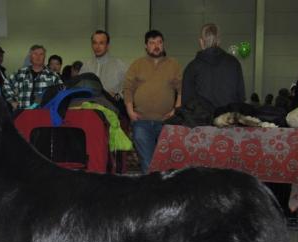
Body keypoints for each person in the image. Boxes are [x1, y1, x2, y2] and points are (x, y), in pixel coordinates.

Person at [123, 29, 181, 173]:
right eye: (152, 43)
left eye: (159, 42)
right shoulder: (137, 64)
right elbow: (128, 89)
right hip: (141, 122)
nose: (156, 46)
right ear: (146, 46)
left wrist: (176, 111)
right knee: (148, 164)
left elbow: (181, 90)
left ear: (163, 45)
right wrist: (130, 111)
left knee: (167, 164)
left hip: (166, 122)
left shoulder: (173, 64)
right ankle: (151, 192)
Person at [181, 23, 245, 109]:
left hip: (201, 120)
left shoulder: (192, 67)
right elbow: (241, 97)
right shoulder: (234, 63)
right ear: (219, 41)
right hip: (229, 119)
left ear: (201, 41)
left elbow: (186, 103)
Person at [3, 44, 62, 110]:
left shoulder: (53, 76)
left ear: (44, 57)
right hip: (23, 113)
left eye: (41, 54)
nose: (38, 57)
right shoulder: (20, 73)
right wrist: (12, 101)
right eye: (35, 54)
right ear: (30, 57)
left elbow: (61, 94)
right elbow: (6, 85)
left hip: (44, 114)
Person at [79, 30, 127, 98]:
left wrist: (117, 96)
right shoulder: (86, 67)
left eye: (101, 43)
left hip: (113, 106)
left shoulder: (119, 65)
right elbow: (79, 89)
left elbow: (128, 89)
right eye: (94, 43)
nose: (97, 47)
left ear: (107, 45)